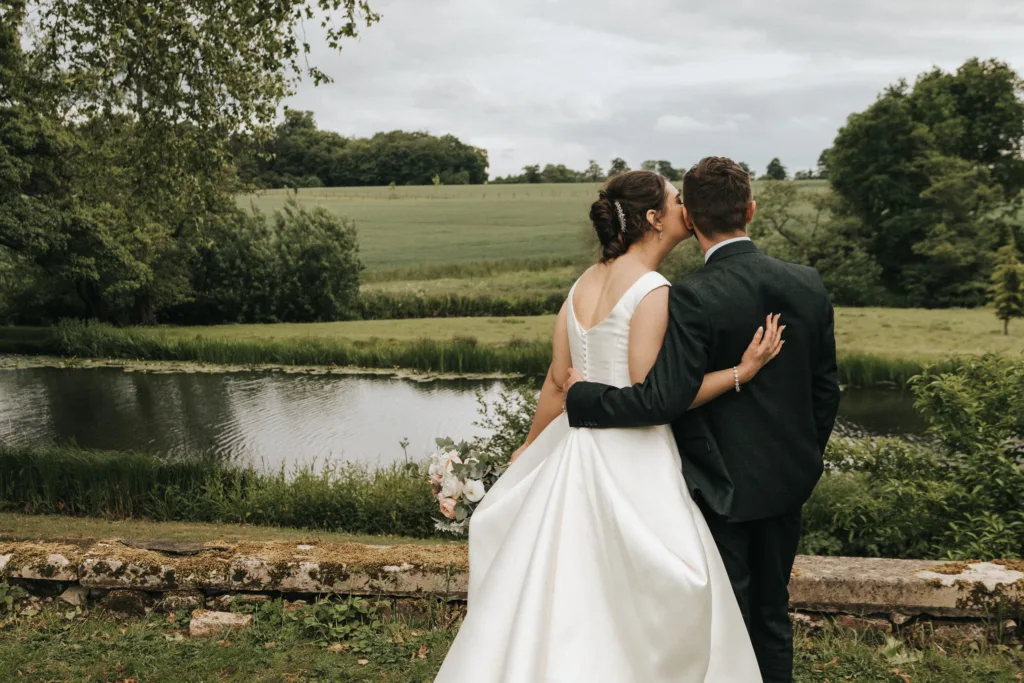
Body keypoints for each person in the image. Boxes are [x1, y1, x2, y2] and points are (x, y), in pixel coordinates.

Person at [434, 169, 785, 683]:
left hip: (570, 448)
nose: (683, 206)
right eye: (673, 198)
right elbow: (654, 396)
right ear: (653, 217)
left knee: (568, 582)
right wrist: (741, 372)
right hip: (631, 457)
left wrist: (528, 449)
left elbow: (557, 385)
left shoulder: (582, 284)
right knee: (661, 583)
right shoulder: (653, 289)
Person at [564, 157, 841, 683]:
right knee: (771, 614)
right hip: (788, 481)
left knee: (727, 618)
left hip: (718, 487)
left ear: (689, 216)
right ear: (752, 210)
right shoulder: (806, 283)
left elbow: (662, 398)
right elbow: (825, 390)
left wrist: (585, 400)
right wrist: (805, 455)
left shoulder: (691, 295)